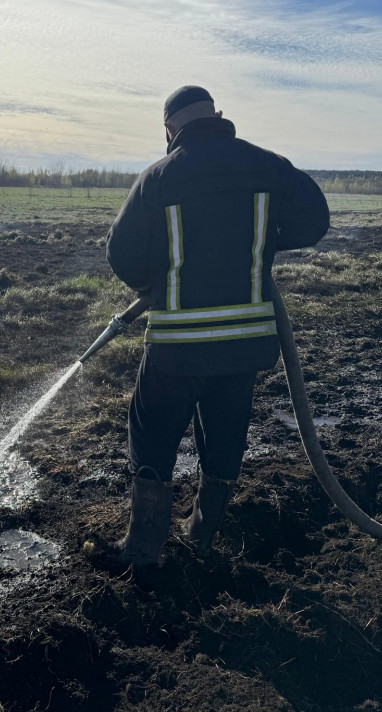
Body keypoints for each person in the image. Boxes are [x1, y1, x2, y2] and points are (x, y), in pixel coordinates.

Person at [86, 85, 330, 568]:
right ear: (218, 116)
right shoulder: (268, 166)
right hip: (245, 345)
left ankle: (143, 550)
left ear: (169, 129)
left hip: (178, 345)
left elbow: (121, 252)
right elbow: (314, 220)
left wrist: (153, 281)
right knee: (226, 433)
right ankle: (200, 538)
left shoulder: (159, 177)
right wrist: (258, 245)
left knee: (151, 434)